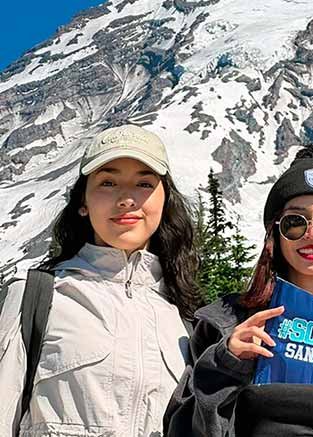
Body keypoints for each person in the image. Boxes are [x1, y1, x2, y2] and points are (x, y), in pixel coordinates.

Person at [165, 140, 313, 436]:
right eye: (295, 222)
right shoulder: (226, 325)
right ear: (276, 233)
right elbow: (181, 428)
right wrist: (224, 365)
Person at [0, 124, 202, 436]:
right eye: (108, 182)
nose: (127, 199)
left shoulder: (186, 319)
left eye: (144, 184)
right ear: (83, 202)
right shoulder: (35, 298)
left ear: (164, 202)